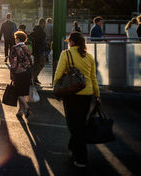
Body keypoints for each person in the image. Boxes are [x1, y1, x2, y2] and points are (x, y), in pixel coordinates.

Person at [53, 32, 100, 168]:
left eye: (69, 41)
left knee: (74, 124)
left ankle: (81, 157)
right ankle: (73, 146)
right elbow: (93, 78)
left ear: (72, 42)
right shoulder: (89, 57)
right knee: (80, 123)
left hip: (72, 93)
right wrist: (97, 95)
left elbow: (59, 73)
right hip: (87, 93)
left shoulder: (66, 54)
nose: (68, 43)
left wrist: (56, 87)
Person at [9, 31, 32, 118]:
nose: (15, 40)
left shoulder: (15, 48)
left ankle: (26, 107)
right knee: (23, 92)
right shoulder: (27, 47)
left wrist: (12, 74)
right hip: (27, 72)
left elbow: (13, 62)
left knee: (17, 92)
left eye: (15, 38)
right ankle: (20, 111)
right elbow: (30, 60)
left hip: (18, 72)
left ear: (18, 39)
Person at [29, 18, 47, 86]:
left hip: (35, 50)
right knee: (40, 64)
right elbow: (41, 42)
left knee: (37, 64)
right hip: (40, 50)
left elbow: (30, 38)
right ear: (43, 23)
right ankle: (33, 77)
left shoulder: (35, 30)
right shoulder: (41, 32)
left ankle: (34, 77)